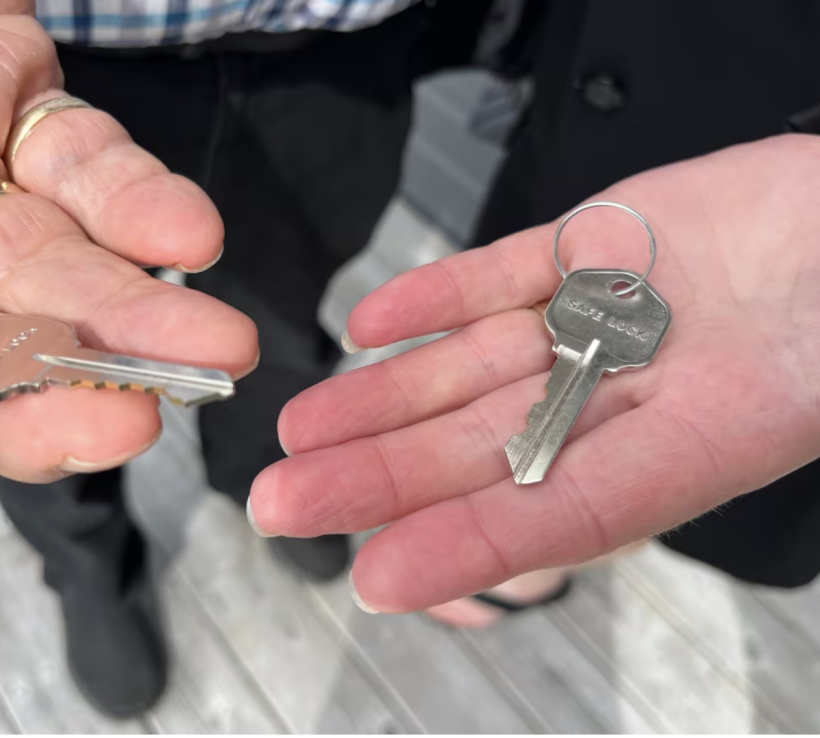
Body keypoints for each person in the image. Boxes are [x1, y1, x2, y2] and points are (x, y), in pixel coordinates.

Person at [0, 0, 820, 719]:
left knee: (277, 322)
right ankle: (85, 564)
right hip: (16, 60)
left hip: (344, 54)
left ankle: (256, 475)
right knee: (27, 385)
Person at [248, 0, 820, 622]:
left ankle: (575, 546)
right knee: (529, 282)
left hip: (775, 140)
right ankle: (540, 547)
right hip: (608, 76)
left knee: (703, 442)